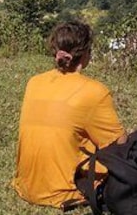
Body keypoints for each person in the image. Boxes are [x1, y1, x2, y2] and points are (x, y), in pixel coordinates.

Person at [13, 20, 127, 209]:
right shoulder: (94, 91)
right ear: (86, 54)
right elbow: (118, 143)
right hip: (64, 191)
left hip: (26, 186)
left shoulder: (34, 82)